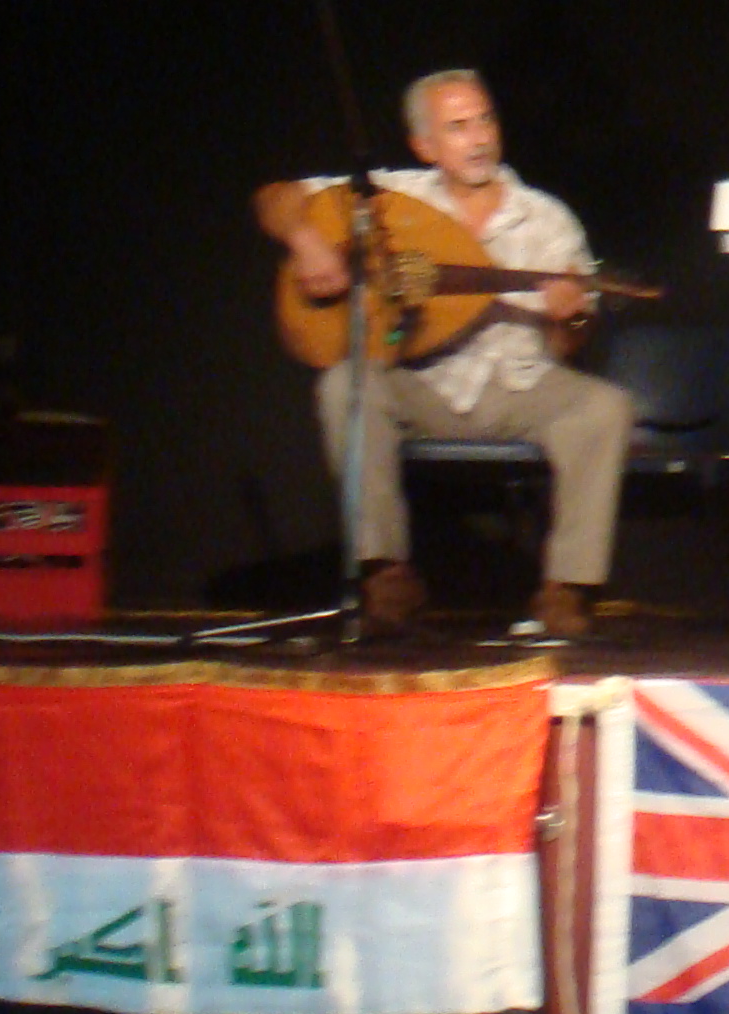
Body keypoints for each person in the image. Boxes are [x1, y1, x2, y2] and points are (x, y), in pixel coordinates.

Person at [256, 71, 633, 642]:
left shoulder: (546, 218)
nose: (478, 138)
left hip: (516, 387)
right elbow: (274, 199)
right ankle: (386, 578)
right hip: (421, 382)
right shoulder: (387, 200)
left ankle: (566, 590)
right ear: (424, 146)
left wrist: (571, 318)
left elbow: (566, 346)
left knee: (604, 406)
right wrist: (307, 242)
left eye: (485, 120)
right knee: (344, 385)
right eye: (458, 127)